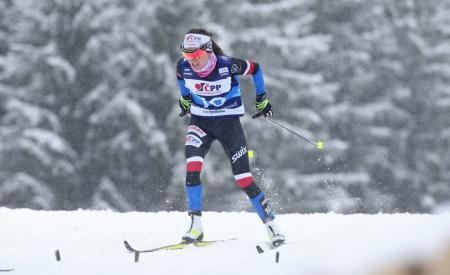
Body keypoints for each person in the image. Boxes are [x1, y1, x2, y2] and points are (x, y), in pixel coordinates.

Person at [176, 28, 285, 246]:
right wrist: (185, 99)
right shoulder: (183, 67)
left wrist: (262, 99)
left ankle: (271, 225)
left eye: (196, 55)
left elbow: (255, 68)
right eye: (187, 55)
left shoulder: (227, 65)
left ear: (208, 50)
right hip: (201, 123)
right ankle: (195, 226)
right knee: (193, 167)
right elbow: (182, 80)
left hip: (229, 125)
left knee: (243, 178)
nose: (192, 61)